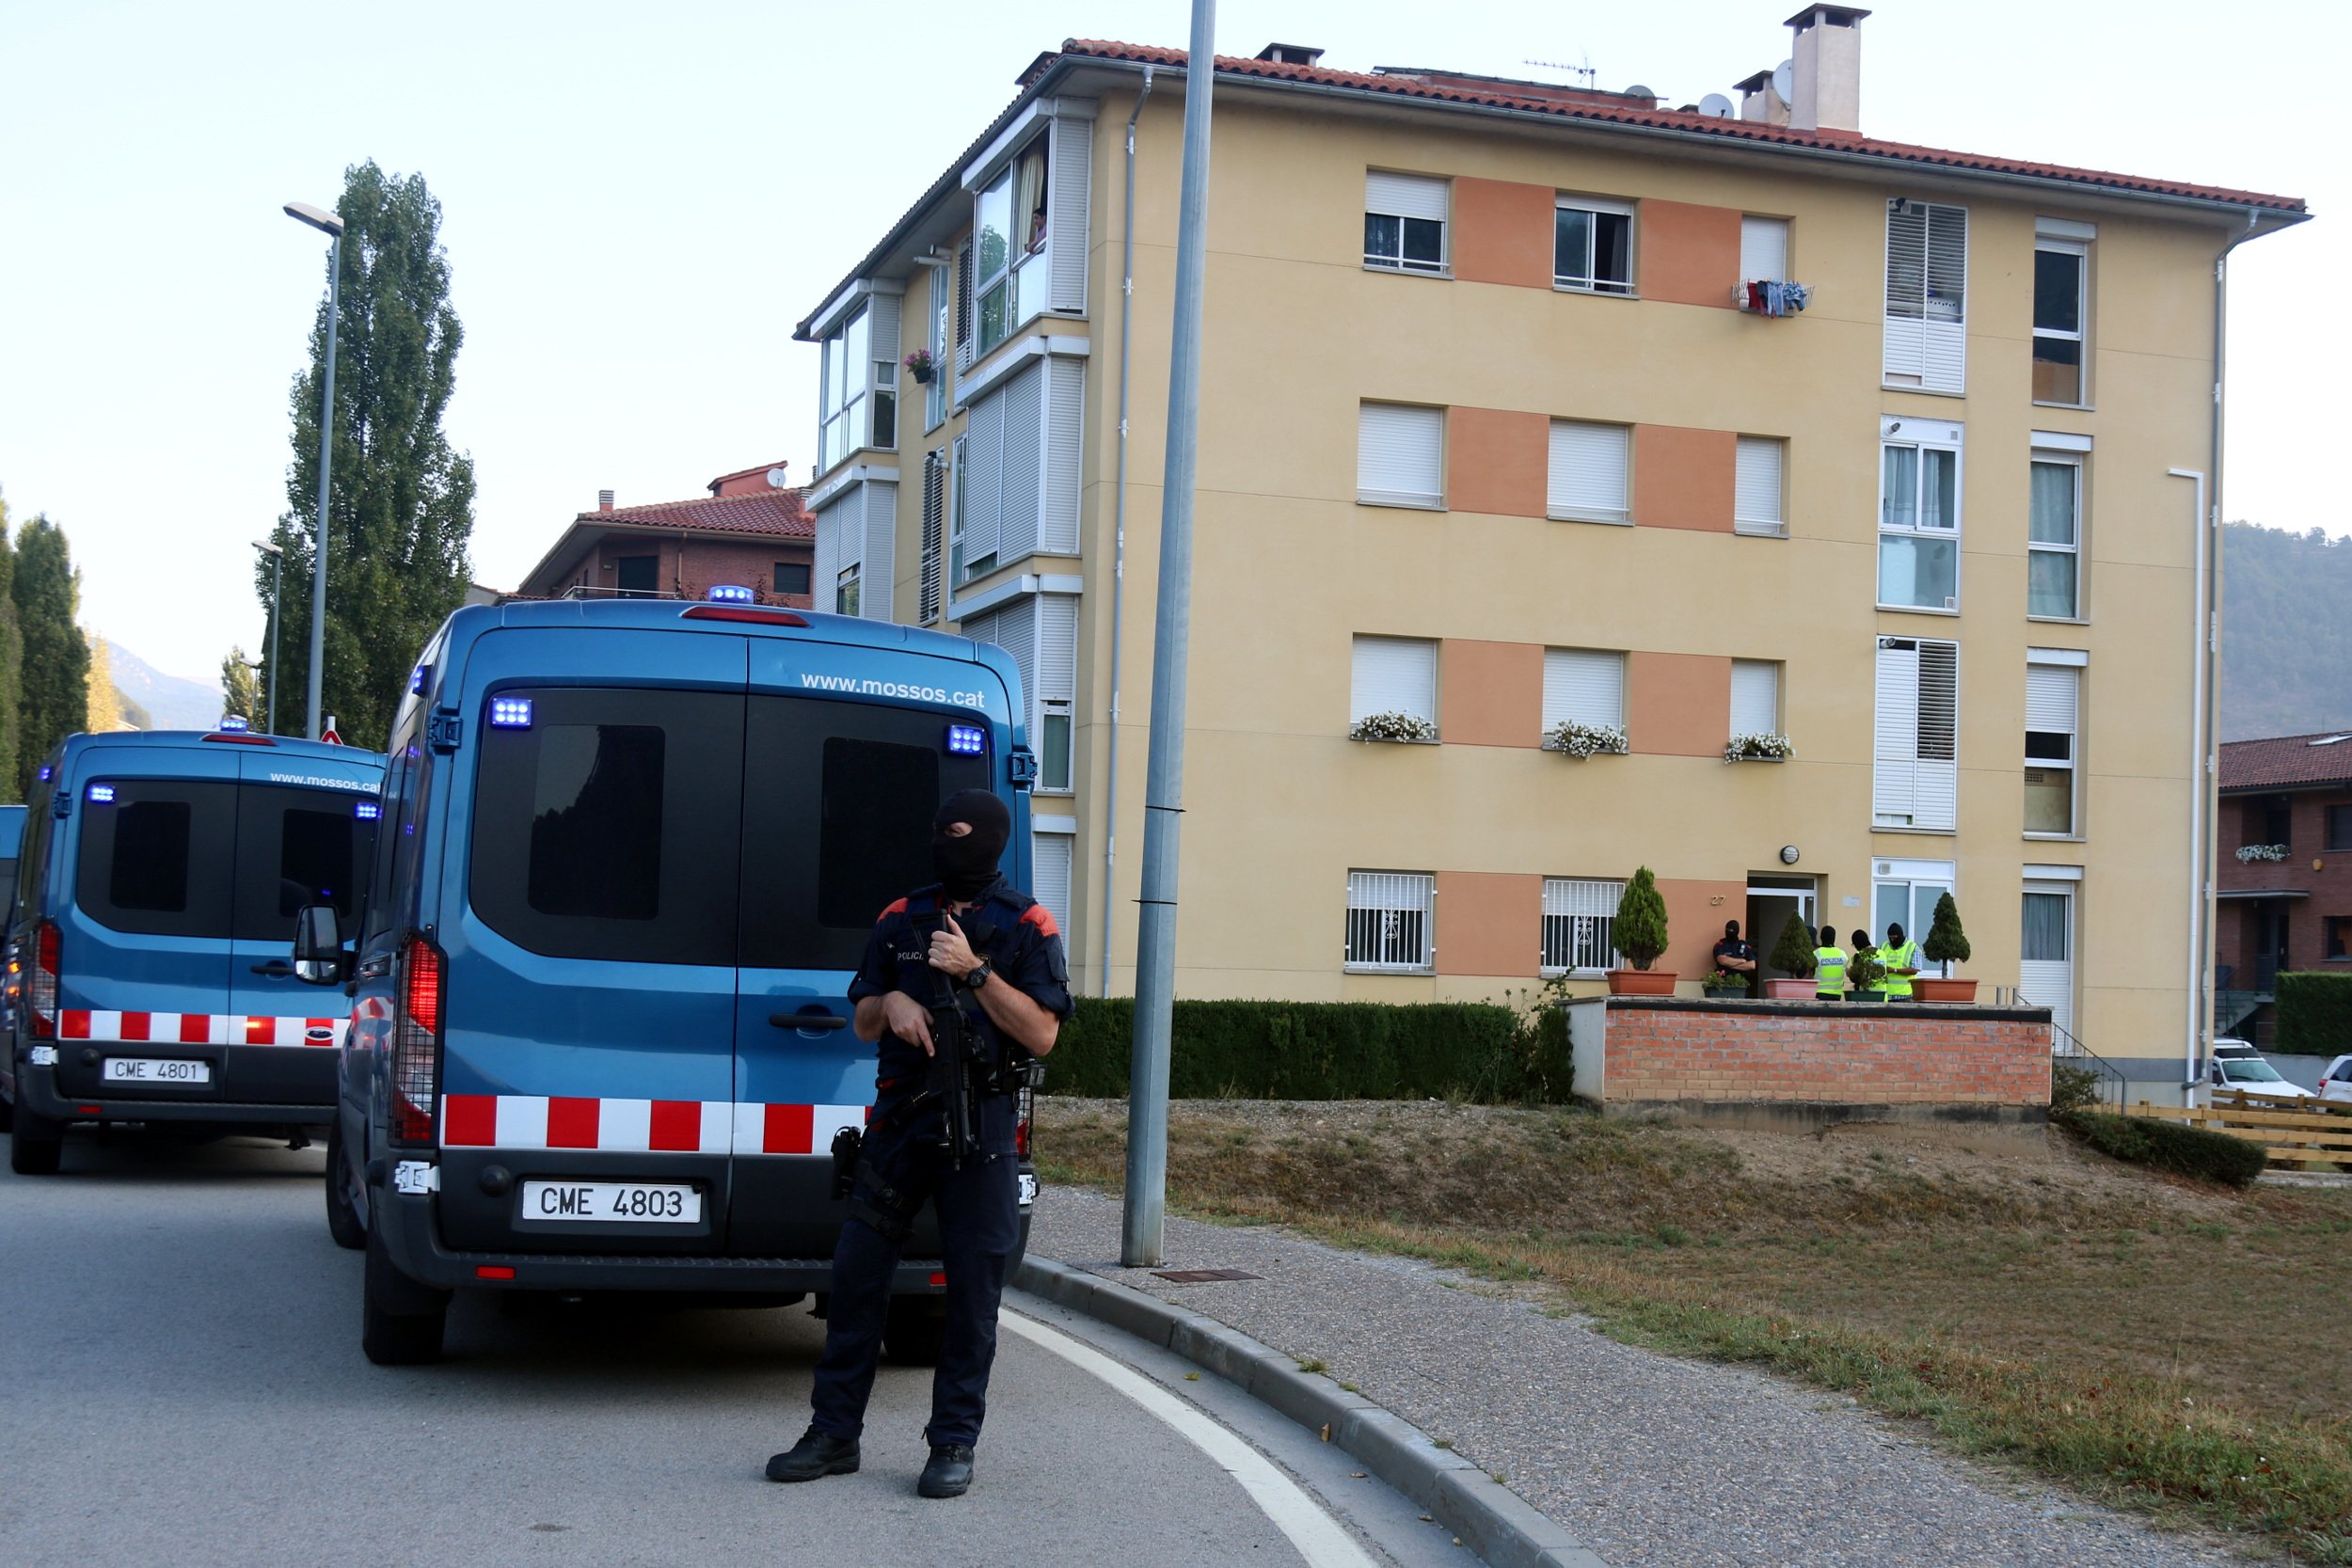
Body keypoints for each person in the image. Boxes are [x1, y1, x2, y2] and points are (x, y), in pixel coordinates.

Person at [768, 788, 1072, 1500]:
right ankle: (833, 1433)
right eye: (938, 831)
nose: (944, 842)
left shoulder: (1027, 923)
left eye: (959, 832)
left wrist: (974, 971)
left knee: (971, 1296)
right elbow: (863, 1018)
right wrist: (893, 1002)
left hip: (983, 1130)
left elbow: (1043, 1032)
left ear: (991, 838)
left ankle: (953, 1444)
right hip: (900, 1123)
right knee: (855, 1278)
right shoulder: (900, 917)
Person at [1878, 921, 1922, 1002]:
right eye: (1890, 938)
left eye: (1894, 938)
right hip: (1886, 995)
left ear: (1900, 936)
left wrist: (1894, 970)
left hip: (1906, 996)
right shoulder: (1884, 946)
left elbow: (1914, 970)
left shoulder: (1913, 948)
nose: (1892, 940)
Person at [1711, 919, 1757, 995]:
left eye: (1732, 930)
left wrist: (1729, 965)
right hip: (1722, 985)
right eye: (1728, 930)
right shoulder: (1720, 945)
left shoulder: (1743, 946)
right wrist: (1742, 961)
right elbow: (1722, 960)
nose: (1730, 932)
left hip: (1740, 986)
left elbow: (1752, 965)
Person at [1811, 926, 1848, 1002]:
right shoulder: (1842, 954)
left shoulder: (1816, 954)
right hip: (1837, 994)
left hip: (1819, 993)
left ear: (1821, 938)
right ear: (1834, 938)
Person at [1849, 929, 1877, 997]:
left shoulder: (1859, 955)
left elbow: (1856, 978)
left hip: (1865, 996)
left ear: (1858, 943)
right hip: (1881, 996)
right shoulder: (1882, 954)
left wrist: (1849, 973)